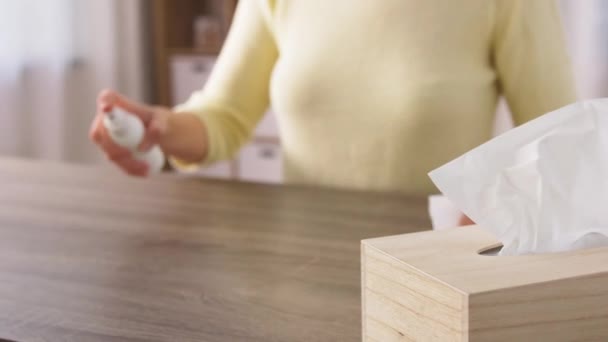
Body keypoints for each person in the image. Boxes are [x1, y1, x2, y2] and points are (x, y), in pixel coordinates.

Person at [90, 0, 575, 225]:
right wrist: (160, 127)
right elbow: (225, 117)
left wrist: (500, 209)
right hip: (301, 263)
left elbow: (563, 143)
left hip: (432, 273)